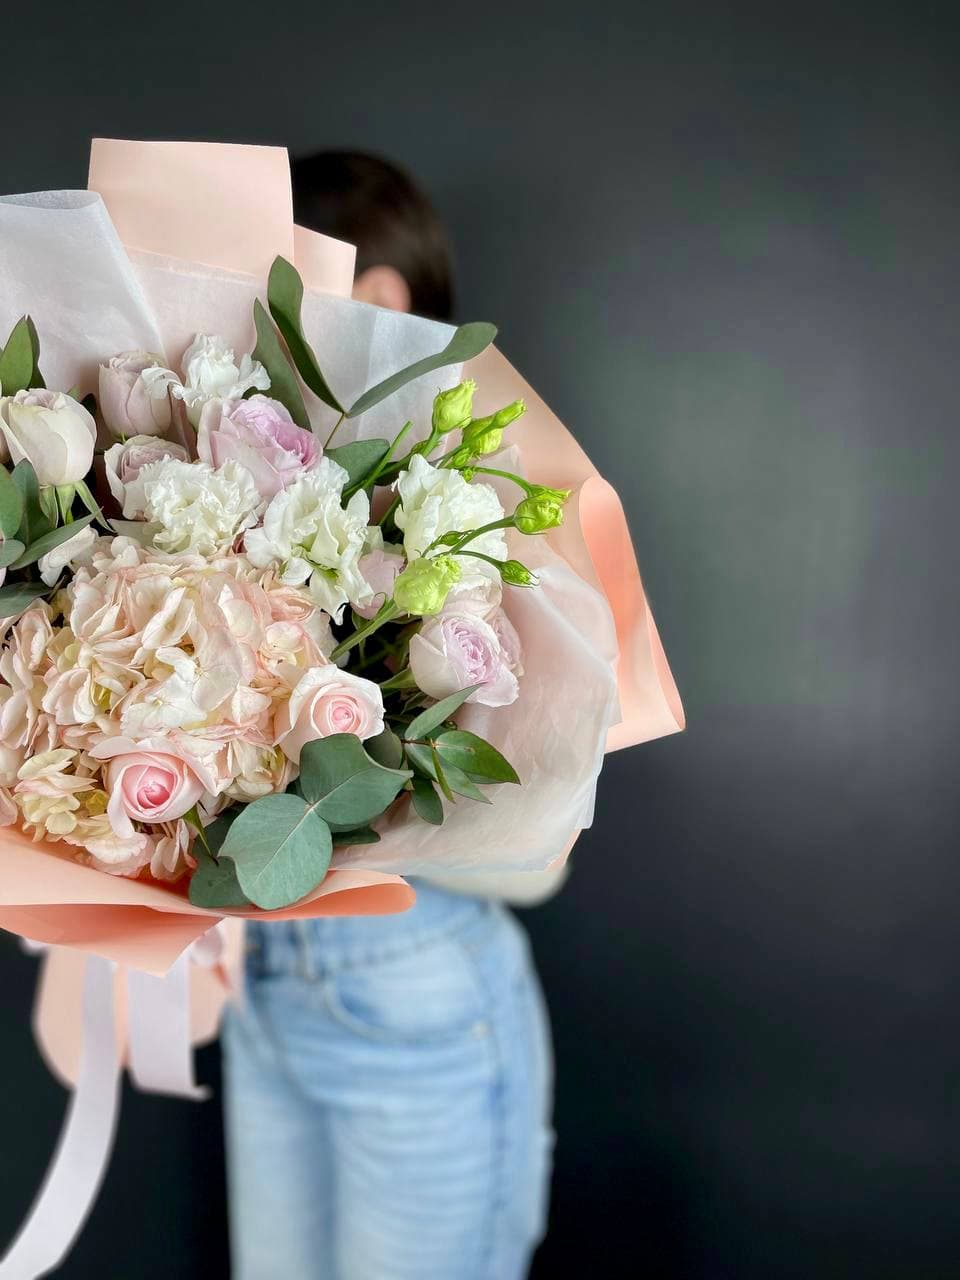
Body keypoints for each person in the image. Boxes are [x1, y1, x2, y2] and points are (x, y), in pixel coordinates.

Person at [221, 150, 566, 1280]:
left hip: (416, 984)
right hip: (263, 987)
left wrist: (329, 807)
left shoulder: (478, 503)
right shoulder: (231, 485)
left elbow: (542, 858)